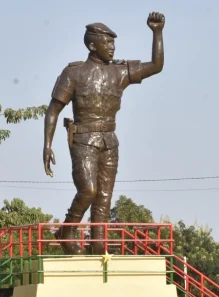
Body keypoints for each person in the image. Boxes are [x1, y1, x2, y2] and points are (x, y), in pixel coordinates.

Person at [42, 13, 166, 255]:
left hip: (110, 141)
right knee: (88, 190)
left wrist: (157, 32)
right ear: (92, 45)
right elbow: (53, 110)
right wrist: (47, 145)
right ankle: (67, 230)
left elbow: (156, 66)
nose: (112, 47)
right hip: (83, 140)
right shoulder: (74, 73)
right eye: (107, 43)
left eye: (113, 43)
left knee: (104, 198)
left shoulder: (119, 72)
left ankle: (99, 245)